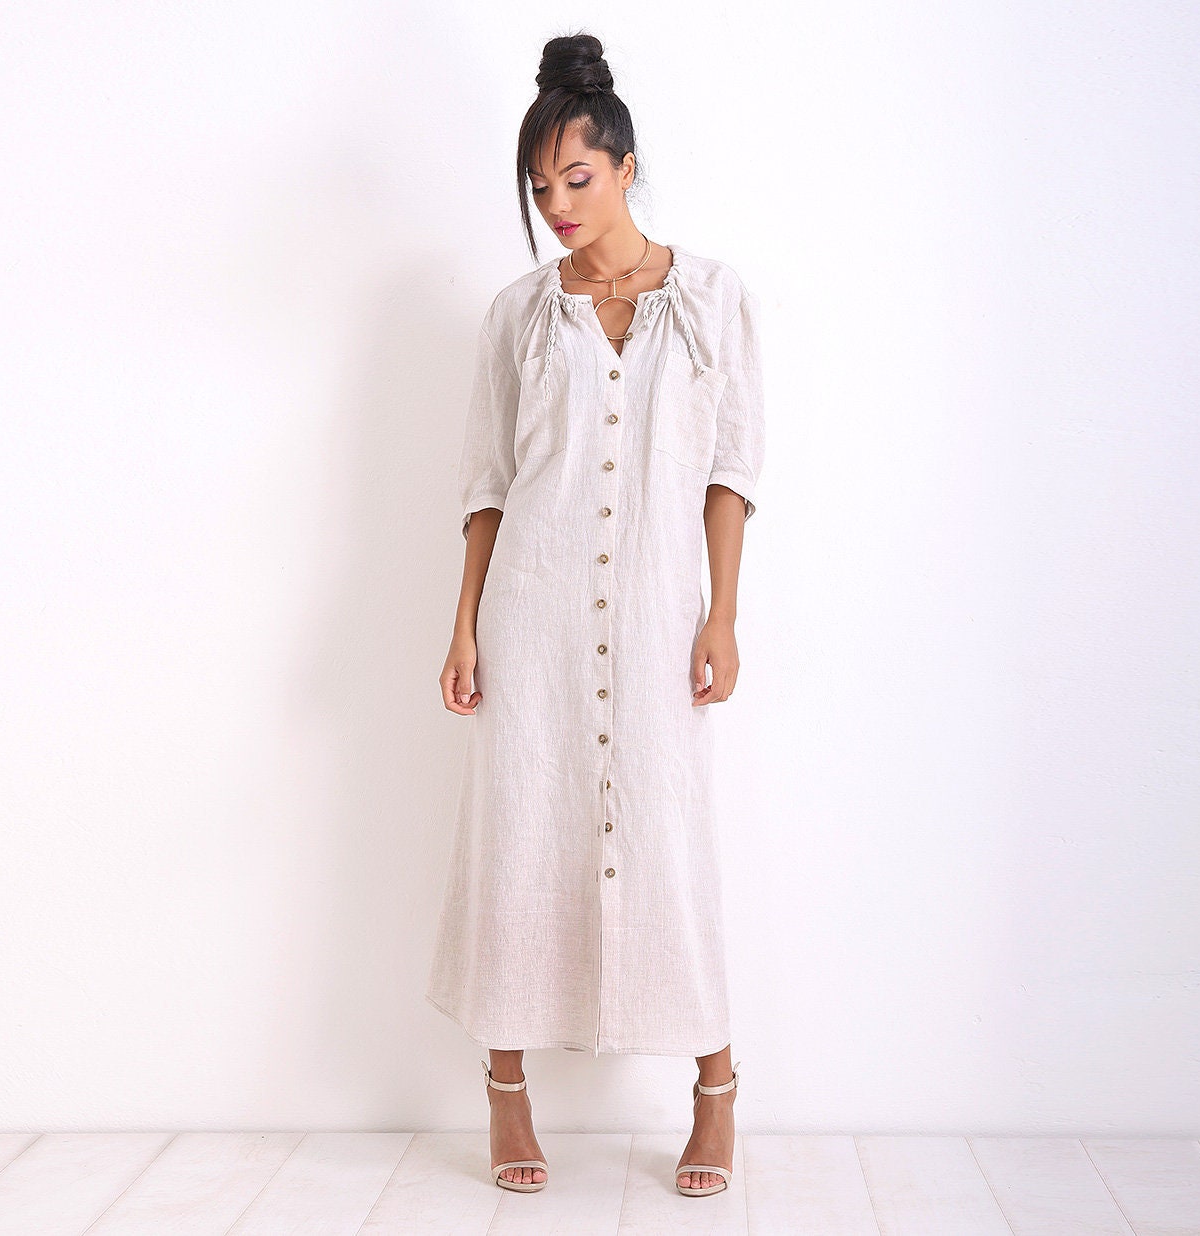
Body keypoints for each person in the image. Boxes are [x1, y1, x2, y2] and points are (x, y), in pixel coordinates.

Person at [426, 31, 765, 1198]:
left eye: (576, 178)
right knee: (520, 836)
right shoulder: (519, 316)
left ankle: (715, 1091)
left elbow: (730, 469)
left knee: (669, 841)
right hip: (532, 619)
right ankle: (505, 1087)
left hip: (663, 615)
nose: (559, 206)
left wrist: (722, 614)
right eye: (539, 189)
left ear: (625, 166)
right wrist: (465, 625)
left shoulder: (712, 299)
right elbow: (488, 484)